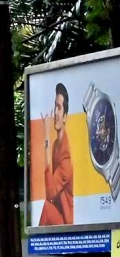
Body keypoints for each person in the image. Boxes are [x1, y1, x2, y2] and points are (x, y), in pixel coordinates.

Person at [40, 82, 75, 226]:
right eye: (55, 106)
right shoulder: (56, 146)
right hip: (57, 215)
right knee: (47, 208)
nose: (55, 112)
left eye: (59, 108)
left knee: (47, 208)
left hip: (65, 222)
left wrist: (46, 135)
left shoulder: (66, 161)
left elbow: (50, 192)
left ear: (65, 116)